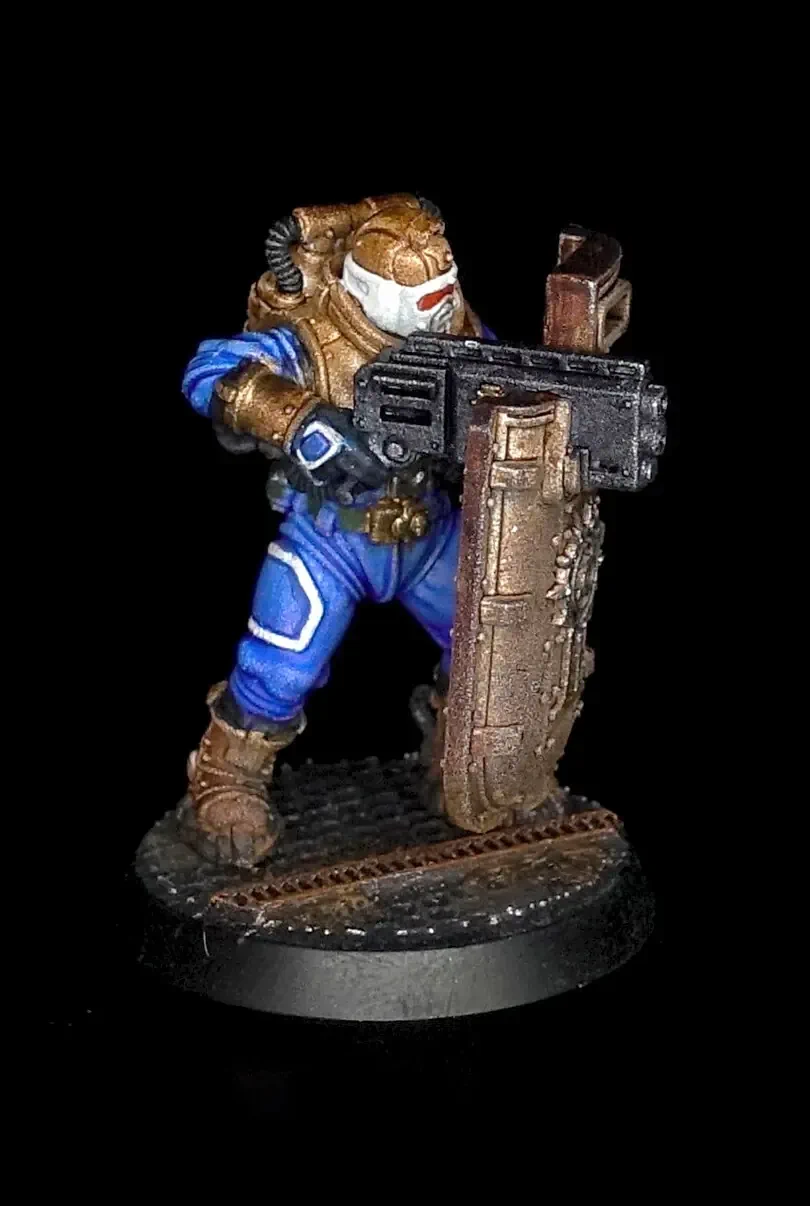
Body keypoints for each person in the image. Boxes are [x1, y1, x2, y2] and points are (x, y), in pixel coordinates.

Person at [181, 194, 493, 866]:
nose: (441, 309)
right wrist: (297, 419)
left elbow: (501, 384)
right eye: (425, 299)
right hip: (328, 537)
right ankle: (227, 778)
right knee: (279, 665)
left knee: (482, 641)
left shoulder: (458, 331)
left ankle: (465, 760)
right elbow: (208, 372)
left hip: (426, 530)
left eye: (446, 291)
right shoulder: (312, 338)